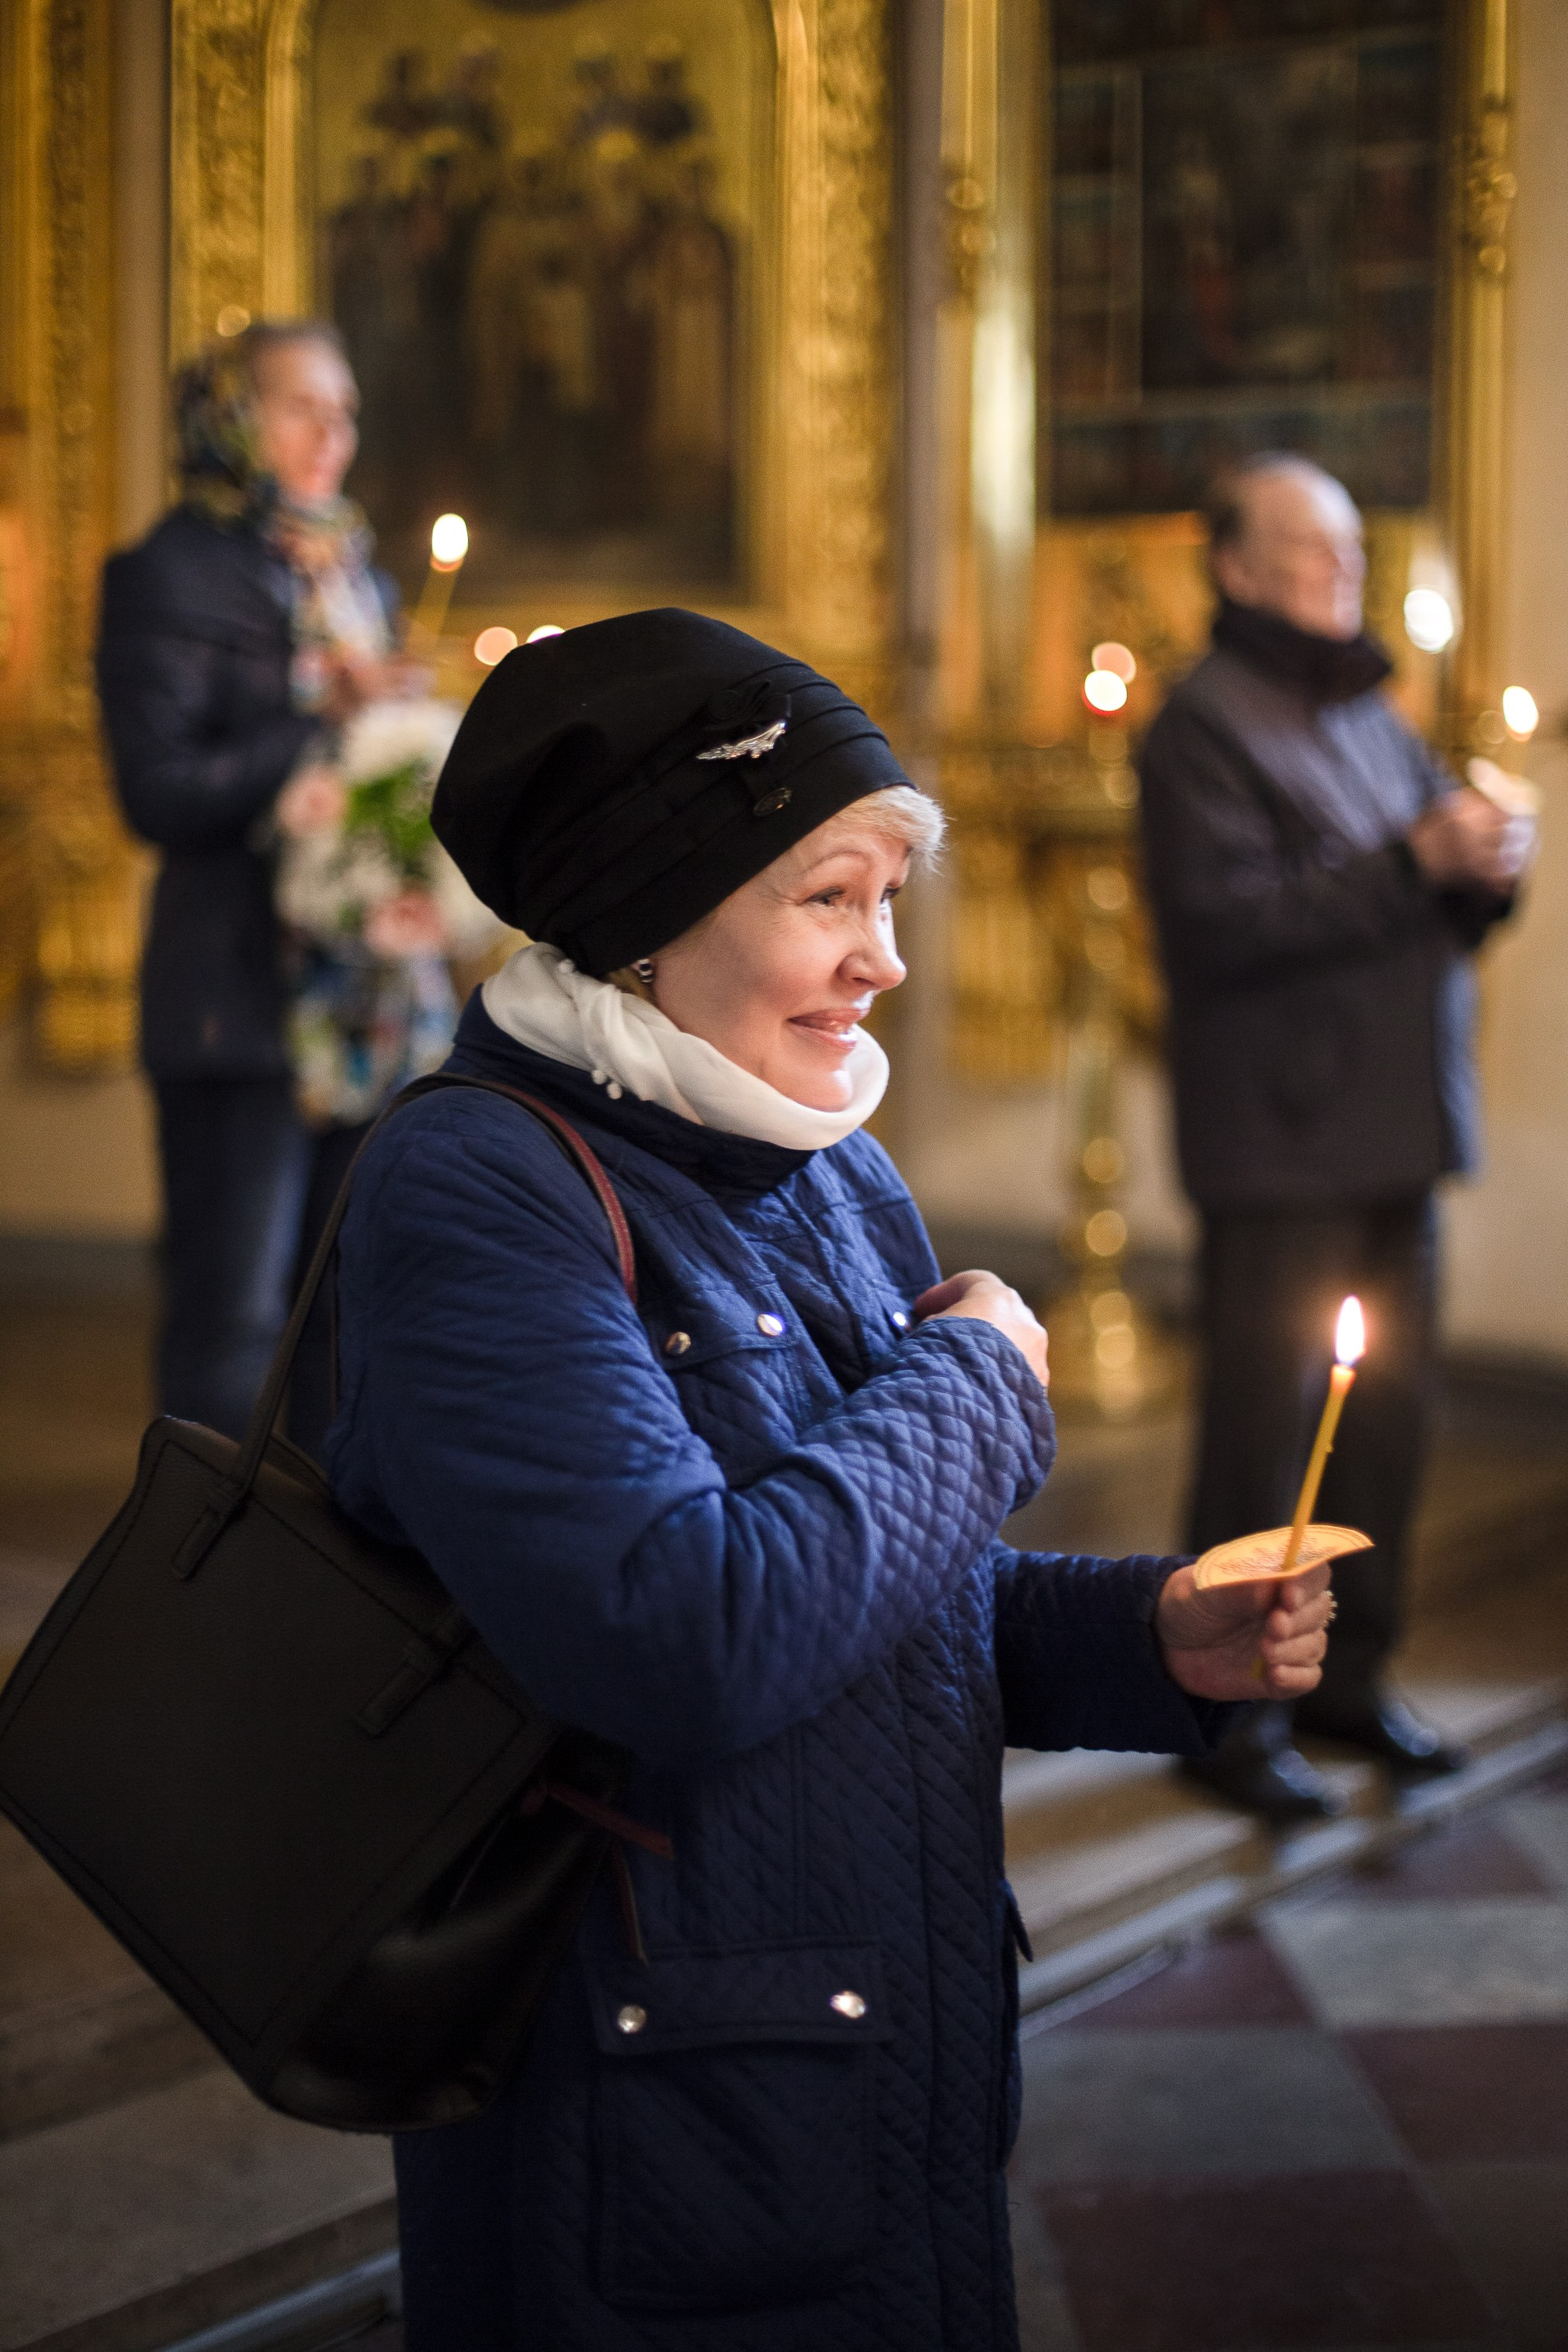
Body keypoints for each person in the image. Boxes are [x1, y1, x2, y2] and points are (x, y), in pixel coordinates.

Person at [325, 607, 1336, 2348]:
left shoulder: (819, 1164)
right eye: (827, 896)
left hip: (874, 2058)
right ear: (641, 921)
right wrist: (974, 1374)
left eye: (885, 901)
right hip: (653, 2127)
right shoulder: (479, 1194)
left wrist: (1149, 1638)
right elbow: (686, 1630)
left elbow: (887, 1591)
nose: (882, 963)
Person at [1138, 453, 1532, 1824]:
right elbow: (1226, 928)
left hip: (1397, 1127)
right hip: (1280, 1139)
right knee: (1267, 1445)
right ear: (1236, 568)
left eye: (1352, 545)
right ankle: (1229, 1717)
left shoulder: (1372, 709)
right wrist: (1416, 864)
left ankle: (1355, 1679)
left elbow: (1425, 887)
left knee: (1392, 1428)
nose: (1339, 568)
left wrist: (1486, 871)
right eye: (1307, 548)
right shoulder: (1199, 726)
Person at [96, 321, 444, 1456]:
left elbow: (363, 772)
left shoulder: (360, 574)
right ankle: (189, 1601)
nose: (331, 434)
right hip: (240, 1006)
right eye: (302, 406)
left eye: (344, 409)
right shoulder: (169, 570)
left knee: (345, 1317)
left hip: (368, 1006)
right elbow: (158, 792)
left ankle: (318, 1605)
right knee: (233, 1327)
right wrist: (325, 724)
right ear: (233, 420)